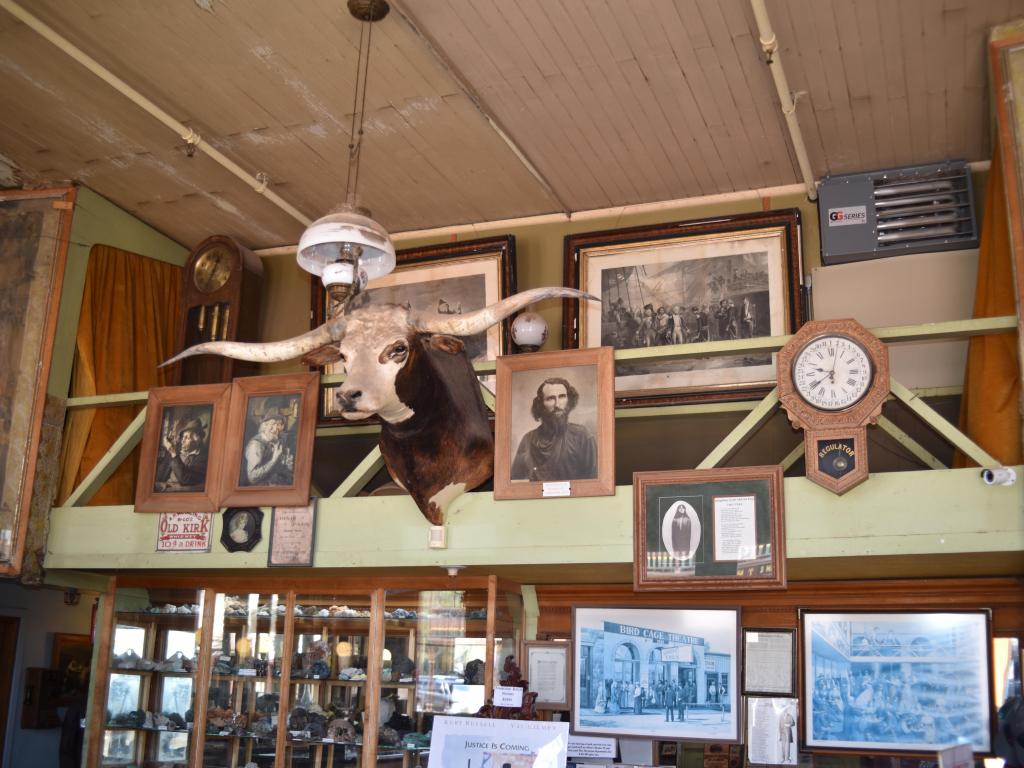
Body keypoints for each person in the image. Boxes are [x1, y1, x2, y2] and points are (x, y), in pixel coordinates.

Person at [510, 378, 597, 482]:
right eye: (550, 398)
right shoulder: (528, 440)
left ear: (569, 400)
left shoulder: (582, 436)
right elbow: (516, 482)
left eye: (562, 397)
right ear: (540, 404)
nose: (557, 405)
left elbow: (594, 482)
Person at [154, 417, 208, 492]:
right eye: (183, 437)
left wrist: (172, 452)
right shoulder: (177, 453)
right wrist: (170, 451)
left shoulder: (203, 458)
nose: (182, 441)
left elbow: (185, 479)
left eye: (187, 438)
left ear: (197, 439)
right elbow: (159, 476)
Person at [242, 410, 294, 486]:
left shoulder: (275, 440)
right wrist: (274, 459)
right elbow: (253, 478)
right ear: (264, 425)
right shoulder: (256, 445)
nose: (276, 429)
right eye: (272, 424)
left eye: (279, 424)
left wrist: (288, 466)